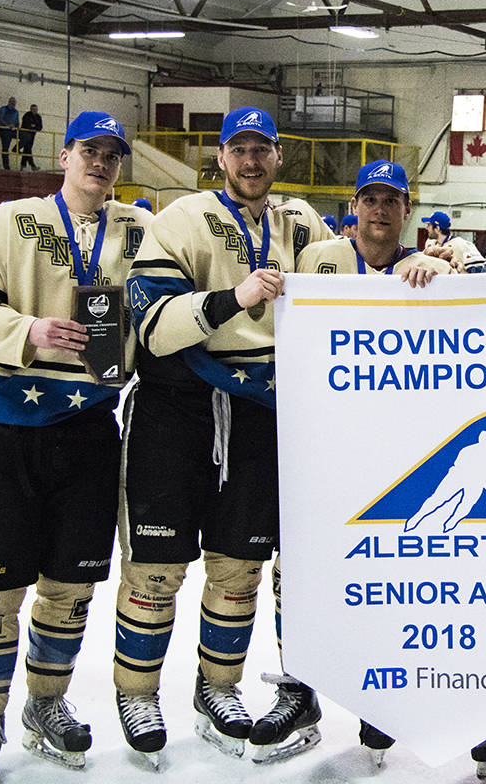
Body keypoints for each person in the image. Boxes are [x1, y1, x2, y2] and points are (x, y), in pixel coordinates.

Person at [297, 158, 486, 776]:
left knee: (456, 569)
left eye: (391, 200)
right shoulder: (316, 264)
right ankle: (375, 697)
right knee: (368, 575)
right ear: (354, 205)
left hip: (424, 445)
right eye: (368, 198)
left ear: (409, 210)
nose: (378, 209)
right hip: (346, 448)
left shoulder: (443, 268)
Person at [114, 106, 334, 767]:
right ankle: (138, 692)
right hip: (176, 413)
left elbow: (355, 285)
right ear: (219, 156)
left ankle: (219, 689)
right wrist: (233, 298)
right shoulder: (180, 218)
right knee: (155, 569)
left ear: (278, 156)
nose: (251, 161)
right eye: (239, 149)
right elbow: (151, 322)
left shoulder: (301, 224)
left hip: (263, 417)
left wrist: (428, 270)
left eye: (262, 149)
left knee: (237, 568)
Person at [0, 111, 149, 782]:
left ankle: (45, 704)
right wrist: (27, 331)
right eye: (90, 149)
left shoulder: (140, 232)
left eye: (112, 154)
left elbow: (163, 309)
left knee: (69, 587)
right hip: (3, 430)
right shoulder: (9, 221)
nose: (100, 163)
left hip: (88, 432)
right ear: (64, 155)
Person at [0, 96, 19, 170]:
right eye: (12, 102)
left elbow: (17, 122)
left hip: (11, 131)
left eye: (14, 102)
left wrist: (13, 125)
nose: (13, 103)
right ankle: (6, 166)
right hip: (4, 131)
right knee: (5, 148)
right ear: (9, 102)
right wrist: (7, 125)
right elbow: (0, 118)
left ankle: (16, 148)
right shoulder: (3, 109)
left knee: (24, 137)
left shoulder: (16, 112)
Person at [20, 104, 43, 171]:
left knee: (27, 149)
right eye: (33, 109)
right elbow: (26, 124)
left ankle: (23, 165)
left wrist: (33, 127)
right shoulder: (27, 115)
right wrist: (33, 127)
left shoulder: (38, 117)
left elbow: (40, 127)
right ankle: (32, 165)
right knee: (28, 149)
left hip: (32, 135)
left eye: (35, 110)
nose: (34, 111)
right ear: (30, 109)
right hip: (25, 134)